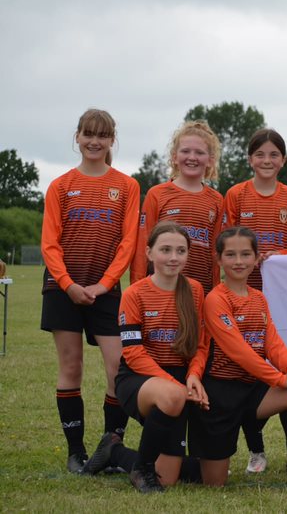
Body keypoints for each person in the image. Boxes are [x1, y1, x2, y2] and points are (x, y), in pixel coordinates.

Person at [191, 227, 287, 492]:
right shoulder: (216, 299)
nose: (239, 261)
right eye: (231, 255)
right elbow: (239, 351)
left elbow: (272, 344)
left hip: (253, 392)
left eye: (246, 254)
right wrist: (281, 379)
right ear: (219, 259)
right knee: (212, 482)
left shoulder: (259, 297)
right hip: (219, 395)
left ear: (257, 257)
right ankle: (144, 459)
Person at [40, 109, 139, 473]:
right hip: (61, 289)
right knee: (71, 366)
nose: (94, 141)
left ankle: (111, 447)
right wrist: (69, 285)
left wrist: (102, 284)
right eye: (88, 134)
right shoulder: (61, 186)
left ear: (112, 139)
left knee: (118, 370)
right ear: (77, 137)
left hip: (106, 291)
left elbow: (128, 242)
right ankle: (75, 452)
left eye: (102, 134)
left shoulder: (127, 186)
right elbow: (49, 243)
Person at [82, 221, 209, 493]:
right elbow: (134, 353)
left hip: (178, 378)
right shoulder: (134, 293)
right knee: (172, 396)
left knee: (171, 477)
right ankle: (141, 469)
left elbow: (200, 345)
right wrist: (175, 387)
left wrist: (194, 375)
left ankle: (114, 451)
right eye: (165, 249)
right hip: (138, 378)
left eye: (180, 251)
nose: (173, 257)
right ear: (149, 253)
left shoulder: (196, 291)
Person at [224, 128, 287, 474]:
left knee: (286, 369)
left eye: (274, 155)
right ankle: (256, 451)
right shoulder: (236, 194)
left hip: (282, 300)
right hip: (243, 298)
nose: (267, 161)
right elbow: (227, 244)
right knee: (248, 375)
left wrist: (277, 255)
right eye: (260, 155)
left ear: (283, 160)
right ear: (250, 159)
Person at [131, 121, 224, 294]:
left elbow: (215, 253)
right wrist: (138, 288)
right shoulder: (157, 194)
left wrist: (215, 292)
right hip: (161, 290)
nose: (192, 157)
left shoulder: (217, 200)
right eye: (185, 151)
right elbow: (143, 246)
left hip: (201, 291)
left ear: (210, 160)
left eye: (199, 152)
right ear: (174, 156)